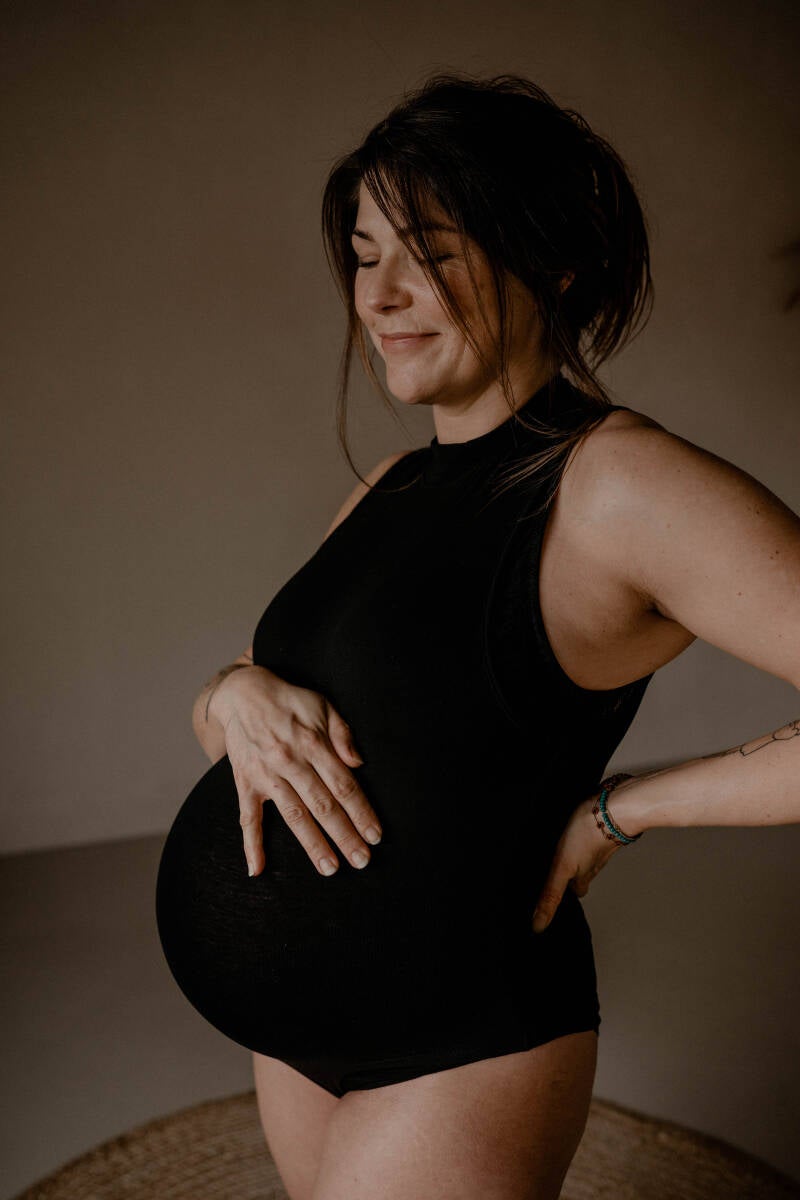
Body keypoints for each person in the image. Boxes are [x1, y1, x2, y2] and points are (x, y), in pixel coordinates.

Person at [155, 73, 800, 1200]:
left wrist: (623, 810)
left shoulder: (615, 484)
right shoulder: (391, 485)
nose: (381, 296)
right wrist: (232, 694)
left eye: (432, 254)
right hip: (297, 1046)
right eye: (364, 256)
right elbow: (275, 725)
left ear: (552, 262)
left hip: (457, 1046)